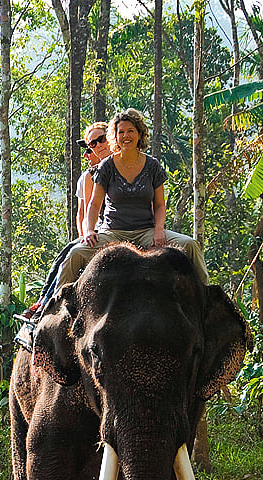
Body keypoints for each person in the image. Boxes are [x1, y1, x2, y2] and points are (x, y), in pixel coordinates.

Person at [56, 108, 209, 289]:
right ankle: (56, 304)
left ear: (139, 134)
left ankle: (207, 296)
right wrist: (89, 230)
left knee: (190, 245)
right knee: (75, 254)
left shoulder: (152, 165)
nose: (126, 136)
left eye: (130, 131)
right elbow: (94, 203)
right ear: (115, 136)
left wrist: (159, 230)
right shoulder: (107, 166)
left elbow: (160, 205)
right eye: (121, 132)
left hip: (146, 231)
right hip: (113, 232)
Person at [22, 122, 112, 323]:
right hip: (100, 231)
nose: (97, 146)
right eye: (92, 145)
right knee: (68, 255)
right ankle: (47, 303)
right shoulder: (91, 176)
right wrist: (85, 236)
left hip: (130, 228)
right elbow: (84, 212)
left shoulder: (133, 166)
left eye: (101, 139)